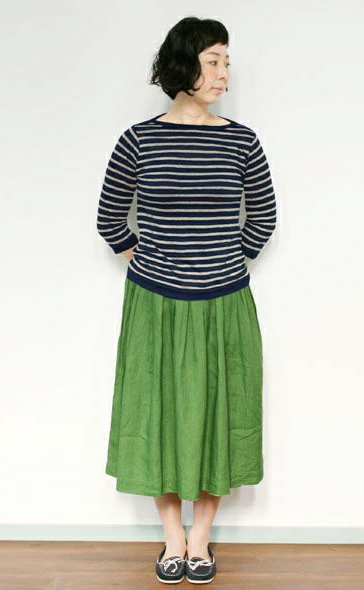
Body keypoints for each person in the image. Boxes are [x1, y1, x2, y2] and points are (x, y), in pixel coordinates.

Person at [96, 16, 277, 585]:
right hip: (156, 305)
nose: (225, 72)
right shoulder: (138, 140)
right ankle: (172, 538)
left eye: (227, 61)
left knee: (219, 414)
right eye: (214, 60)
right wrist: (154, 262)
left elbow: (263, 217)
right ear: (184, 64)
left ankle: (201, 539)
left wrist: (222, 263)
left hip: (224, 302)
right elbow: (109, 219)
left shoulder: (242, 141)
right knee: (160, 414)